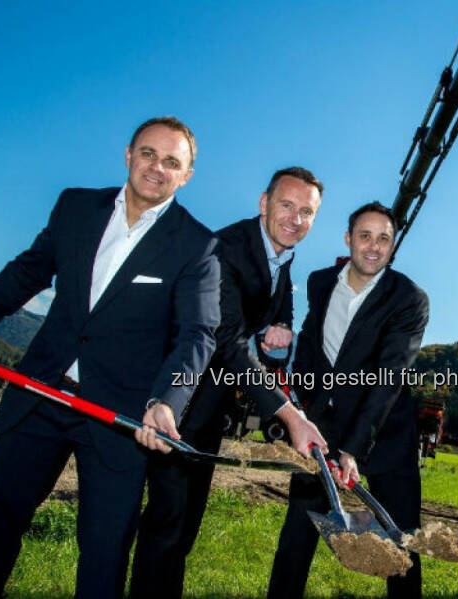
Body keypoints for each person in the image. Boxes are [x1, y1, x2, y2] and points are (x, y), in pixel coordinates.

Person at [0, 116, 222, 599]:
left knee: (105, 552)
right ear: (128, 154)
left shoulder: (197, 245)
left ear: (186, 176)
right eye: (148, 154)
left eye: (172, 162)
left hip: (120, 416)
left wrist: (167, 400)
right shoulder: (76, 206)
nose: (156, 168)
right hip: (39, 393)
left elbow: (197, 335)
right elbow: (29, 272)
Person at [130, 167, 328, 598]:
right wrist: (290, 415)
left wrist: (281, 326)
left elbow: (281, 301)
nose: (295, 219)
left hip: (209, 406)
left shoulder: (280, 257)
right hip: (173, 398)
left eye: (307, 212)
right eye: (286, 206)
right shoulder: (226, 250)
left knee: (184, 528)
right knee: (166, 522)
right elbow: (230, 344)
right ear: (263, 203)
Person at [267, 202, 430, 599]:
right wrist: (301, 412)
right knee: (297, 533)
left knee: (402, 539)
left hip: (386, 431)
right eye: (365, 236)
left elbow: (389, 378)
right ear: (348, 239)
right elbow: (309, 344)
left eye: (384, 239)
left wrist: (354, 449)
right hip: (322, 426)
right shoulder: (321, 282)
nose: (373, 247)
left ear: (393, 246)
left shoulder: (409, 298)